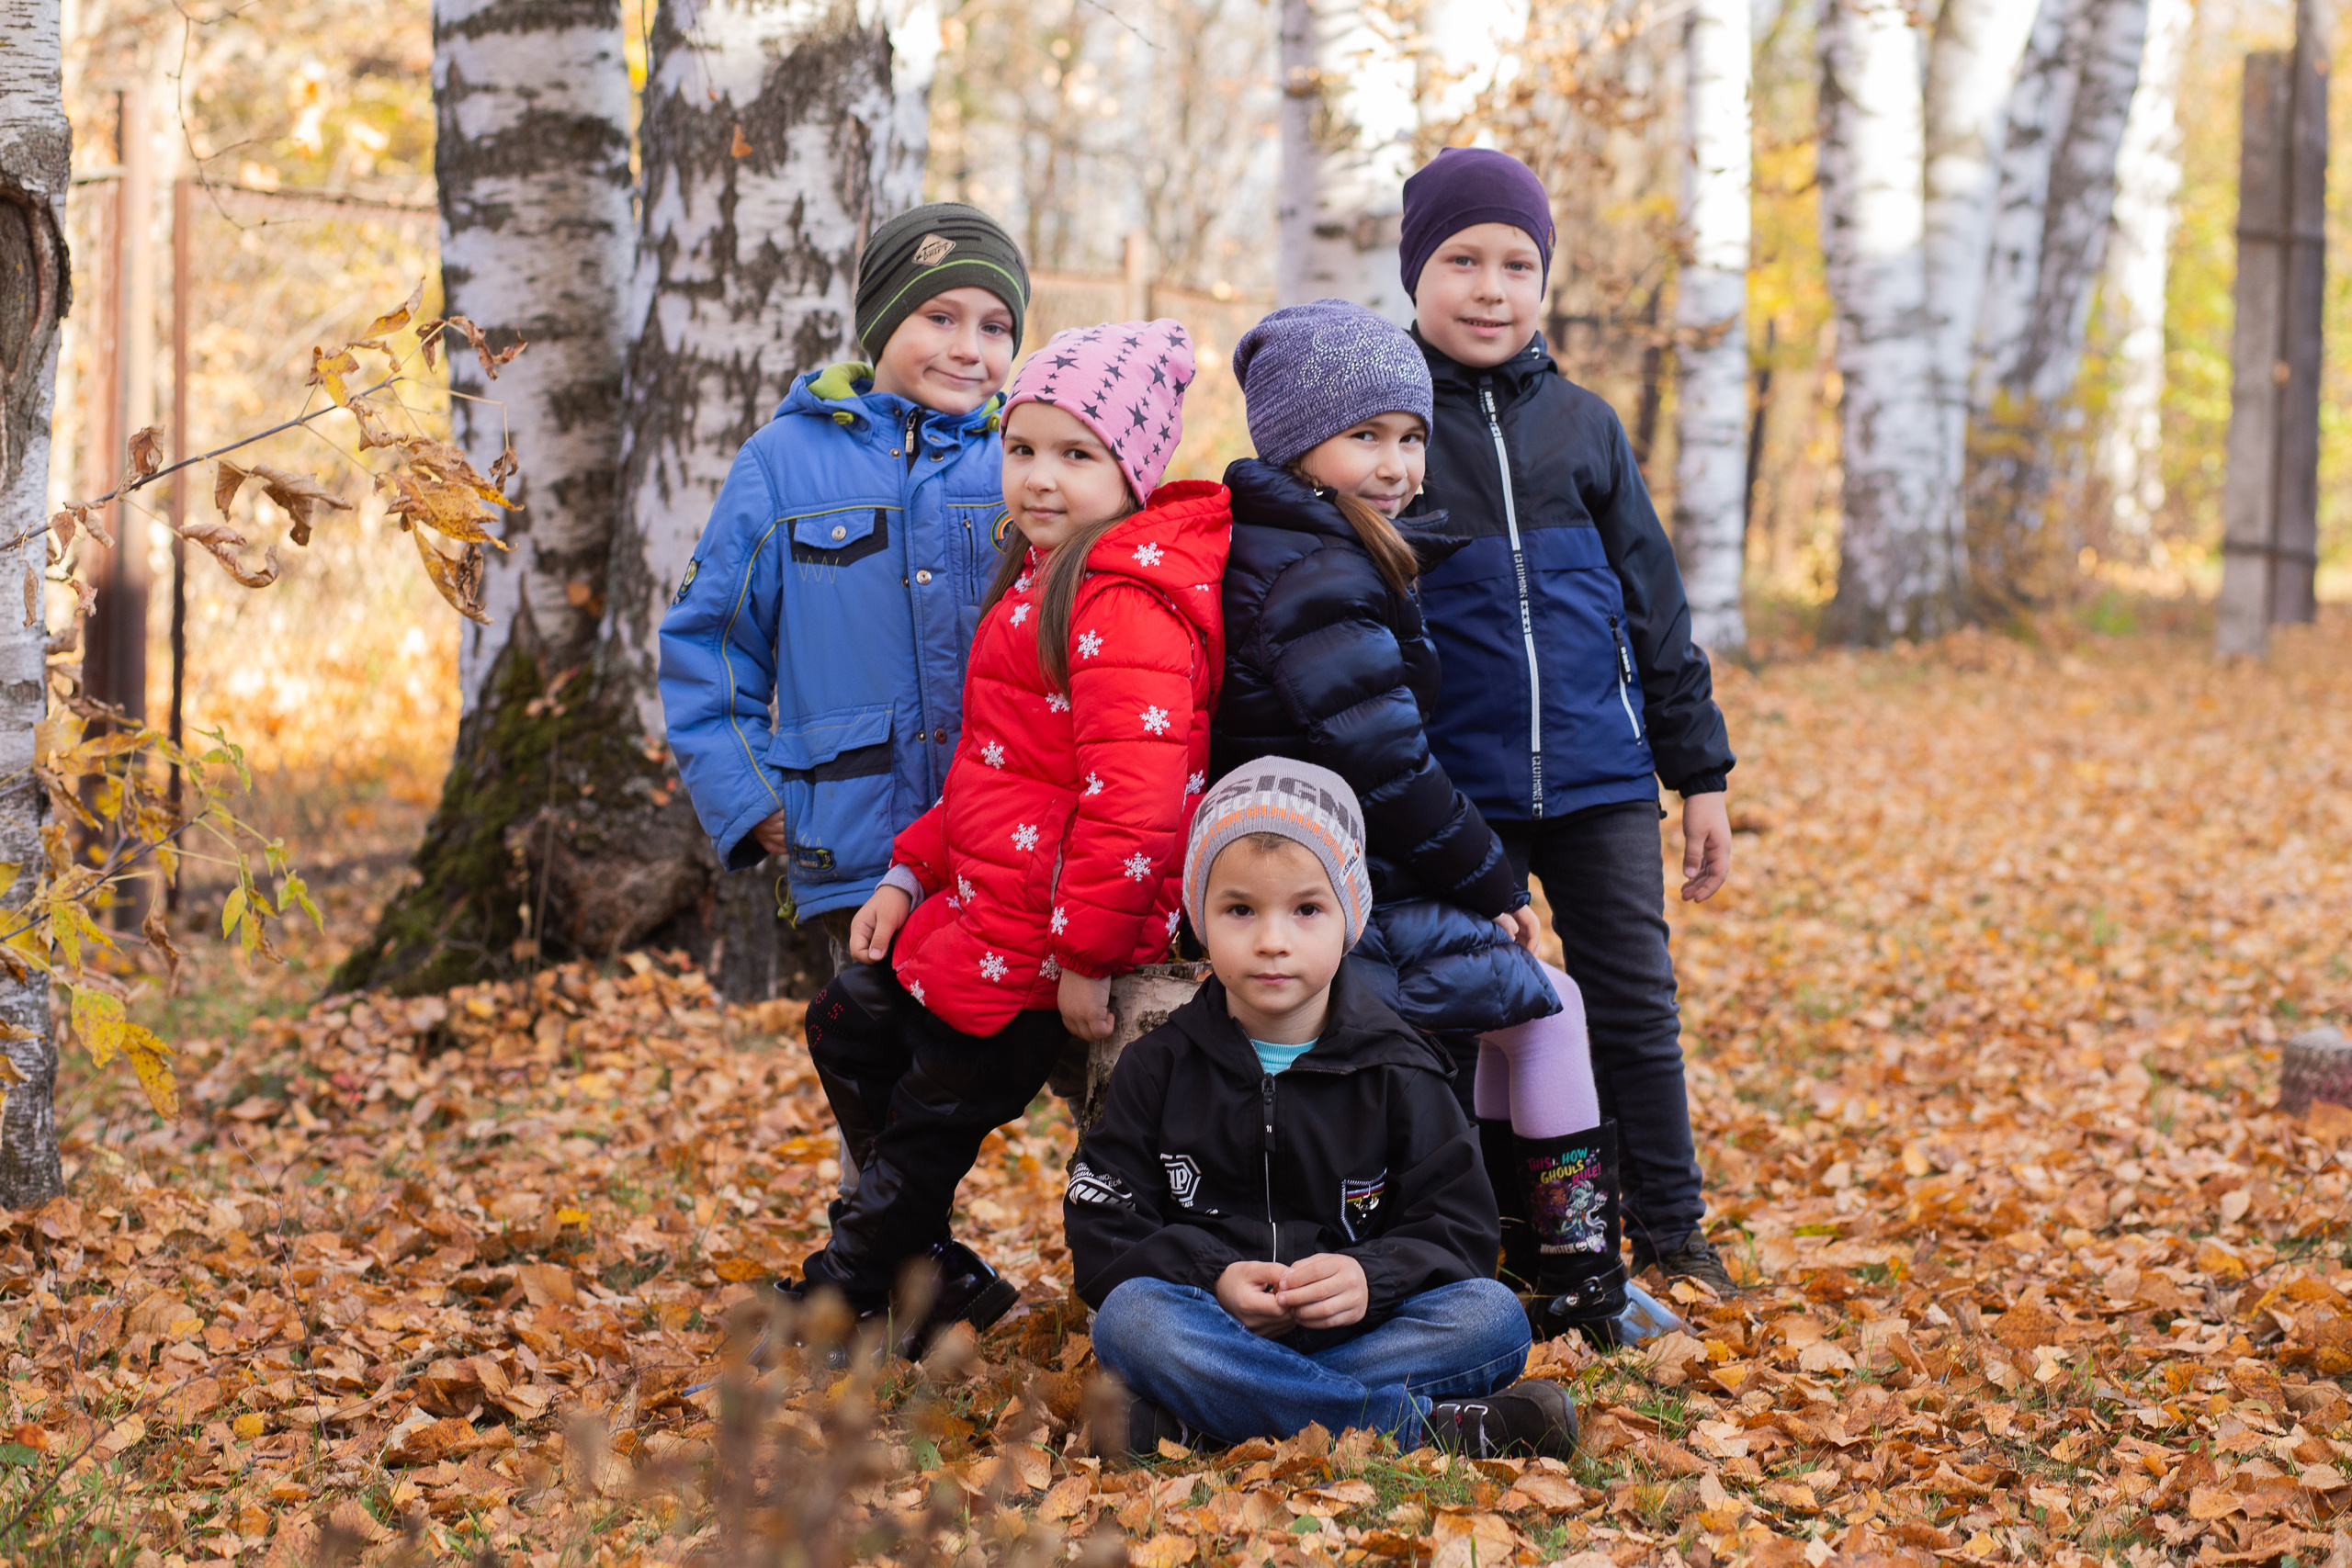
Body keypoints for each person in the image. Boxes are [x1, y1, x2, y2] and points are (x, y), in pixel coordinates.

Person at [1214, 299, 1674, 1344]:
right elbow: (1388, 762)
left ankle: (1530, 1249)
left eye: (1412, 436)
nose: (1395, 463)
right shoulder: (1318, 571)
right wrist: (1494, 884)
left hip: (1339, 880)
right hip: (1320, 899)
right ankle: (1580, 1282)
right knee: (1546, 1009)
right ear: (1295, 443)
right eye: (1364, 435)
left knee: (1530, 1008)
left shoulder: (1315, 546)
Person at [782, 320, 1231, 1355]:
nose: (1037, 477)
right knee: (847, 1022)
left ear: (1132, 467)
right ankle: (930, 1270)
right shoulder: (1035, 581)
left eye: (1076, 456)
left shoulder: (1121, 607)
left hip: (1043, 943)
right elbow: (994, 772)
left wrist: (1086, 959)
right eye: (1020, 447)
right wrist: (908, 869)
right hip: (983, 911)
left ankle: (848, 1285)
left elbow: (1135, 807)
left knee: (932, 1121)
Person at [1398, 148, 1742, 1294]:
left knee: (1635, 1012)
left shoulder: (1586, 429)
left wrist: (1700, 777)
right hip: (1454, 797)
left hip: (1599, 779)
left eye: (1516, 263)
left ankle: (1673, 1228)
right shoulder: (1388, 434)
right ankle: (1468, 1237)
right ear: (1415, 273)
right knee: (1454, 1017)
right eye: (1462, 260)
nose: (1490, 288)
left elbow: (1656, 609)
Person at [1068, 760, 1581, 1461]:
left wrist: (1374, 1278)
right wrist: (1212, 1271)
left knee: (1493, 1319)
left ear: (1349, 917)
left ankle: (1202, 1418)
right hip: (1216, 1324)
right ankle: (1424, 1427)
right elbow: (1103, 1214)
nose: (1272, 940)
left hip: (1363, 1327)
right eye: (1240, 909)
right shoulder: (1160, 1064)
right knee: (1131, 1320)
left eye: (1306, 909)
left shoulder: (1399, 1064)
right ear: (1200, 917)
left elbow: (1460, 1227)